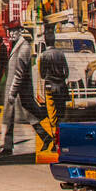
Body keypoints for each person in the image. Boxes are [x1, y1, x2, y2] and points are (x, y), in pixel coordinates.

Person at [0, 27, 47, 157]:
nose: (11, 34)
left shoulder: (24, 47)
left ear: (20, 32)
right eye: (10, 31)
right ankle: (7, 147)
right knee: (21, 116)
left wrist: (12, 92)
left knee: (17, 116)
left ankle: (7, 147)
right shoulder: (17, 45)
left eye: (14, 31)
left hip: (19, 89)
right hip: (18, 89)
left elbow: (19, 73)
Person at [38, 26, 70, 154]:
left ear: (45, 42)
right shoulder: (61, 54)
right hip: (61, 87)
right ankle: (61, 141)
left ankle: (54, 143)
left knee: (52, 116)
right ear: (55, 41)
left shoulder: (44, 56)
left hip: (49, 88)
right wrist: (61, 78)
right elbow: (66, 72)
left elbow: (41, 74)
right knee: (61, 115)